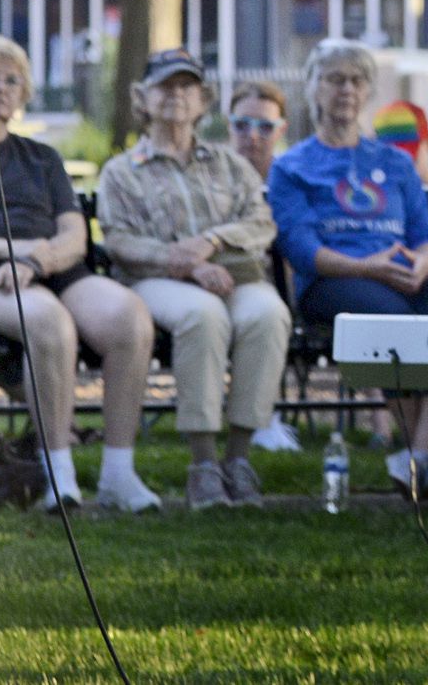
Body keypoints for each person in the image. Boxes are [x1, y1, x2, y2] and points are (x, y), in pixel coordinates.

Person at [0, 35, 157, 512]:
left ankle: (118, 472)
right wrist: (2, 250)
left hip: (50, 270)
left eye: (12, 80)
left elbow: (73, 237)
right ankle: (57, 473)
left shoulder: (43, 159)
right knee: (47, 321)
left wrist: (33, 262)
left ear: (24, 95)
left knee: (130, 316)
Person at [270, 37, 428, 499]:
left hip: (403, 273)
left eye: (357, 81)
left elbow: (425, 232)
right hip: (333, 281)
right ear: (313, 89)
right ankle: (420, 459)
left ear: (367, 92)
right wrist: (365, 266)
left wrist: (424, 262)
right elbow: (300, 249)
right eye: (334, 79)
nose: (346, 89)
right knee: (390, 323)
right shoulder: (292, 166)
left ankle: (419, 453)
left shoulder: (395, 162)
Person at [96, 49, 288, 510]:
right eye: (165, 86)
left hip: (234, 277)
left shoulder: (229, 164)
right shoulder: (123, 171)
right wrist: (186, 263)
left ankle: (238, 460)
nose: (176, 96)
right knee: (201, 315)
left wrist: (212, 242)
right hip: (157, 281)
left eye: (186, 87)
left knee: (269, 314)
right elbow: (119, 239)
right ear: (143, 97)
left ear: (203, 100)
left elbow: (262, 221)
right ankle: (203, 464)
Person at [225, 81, 288, 183]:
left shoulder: (291, 183)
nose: (252, 135)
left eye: (265, 126)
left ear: (281, 130)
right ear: (229, 125)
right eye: (241, 125)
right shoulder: (208, 180)